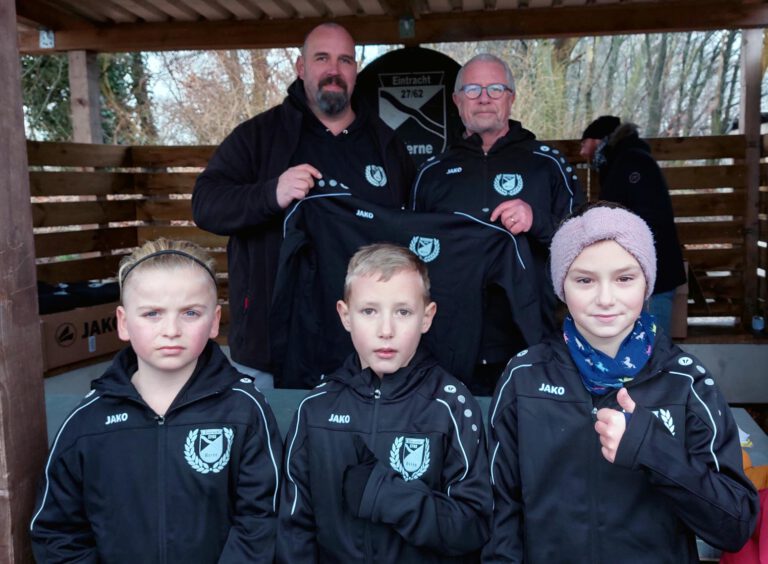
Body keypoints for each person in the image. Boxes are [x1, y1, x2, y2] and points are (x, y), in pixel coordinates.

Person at [482, 203, 758, 563]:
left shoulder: (686, 383)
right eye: (584, 280)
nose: (606, 299)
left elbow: (734, 525)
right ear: (561, 285)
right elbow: (499, 510)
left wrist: (652, 449)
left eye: (625, 278)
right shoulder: (524, 377)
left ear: (647, 283)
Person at [30, 239, 283, 563]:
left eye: (190, 312)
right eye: (152, 313)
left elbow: (261, 520)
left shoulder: (244, 411)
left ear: (215, 321)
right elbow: (57, 531)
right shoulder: (86, 423)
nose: (171, 329)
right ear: (123, 322)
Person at [192, 23, 415, 388]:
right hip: (271, 345)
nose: (333, 70)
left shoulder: (387, 146)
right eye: (321, 58)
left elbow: (414, 230)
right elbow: (205, 204)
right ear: (300, 67)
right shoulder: (258, 137)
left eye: (344, 60)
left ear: (355, 71)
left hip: (366, 349)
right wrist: (270, 194)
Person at [277, 243, 492, 562]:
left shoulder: (451, 405)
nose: (386, 330)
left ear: (426, 317)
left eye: (403, 312)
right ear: (345, 316)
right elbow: (294, 527)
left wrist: (389, 496)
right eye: (369, 311)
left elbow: (473, 525)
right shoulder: (317, 408)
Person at [411, 53, 584, 394]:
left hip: (529, 338)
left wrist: (538, 222)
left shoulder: (547, 164)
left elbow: (585, 244)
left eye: (495, 88)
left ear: (511, 97)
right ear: (458, 101)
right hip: (446, 345)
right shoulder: (431, 173)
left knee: (523, 441)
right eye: (473, 89)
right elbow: (409, 259)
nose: (484, 97)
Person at [580, 115, 687, 334]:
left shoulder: (632, 164)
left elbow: (647, 219)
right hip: (641, 277)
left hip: (653, 280)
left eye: (584, 144)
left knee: (650, 352)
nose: (582, 152)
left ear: (599, 140)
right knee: (638, 353)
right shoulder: (622, 163)